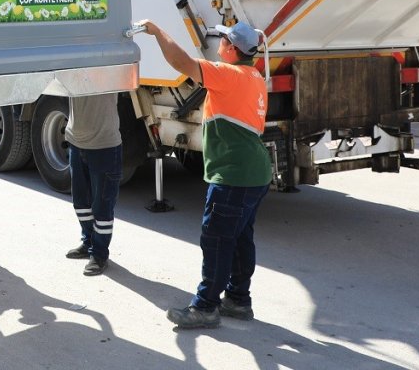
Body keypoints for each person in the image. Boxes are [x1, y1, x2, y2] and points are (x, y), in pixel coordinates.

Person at [138, 19, 272, 329]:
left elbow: (180, 62)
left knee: (216, 240)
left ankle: (205, 307)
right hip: (253, 172)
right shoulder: (252, 75)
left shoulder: (228, 74)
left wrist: (158, 32)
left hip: (233, 175)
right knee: (239, 238)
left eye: (223, 40)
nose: (219, 44)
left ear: (232, 49)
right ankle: (238, 299)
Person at [64, 93, 122, 276]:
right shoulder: (76, 64)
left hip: (104, 144)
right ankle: (88, 241)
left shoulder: (108, 66)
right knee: (81, 202)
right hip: (76, 141)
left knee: (102, 205)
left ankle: (99, 254)